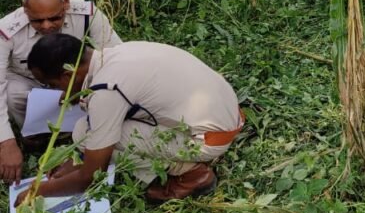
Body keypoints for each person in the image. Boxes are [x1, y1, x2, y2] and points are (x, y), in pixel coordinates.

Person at [22, 34, 243, 203]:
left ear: (68, 75)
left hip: (210, 138)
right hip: (228, 112)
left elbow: (91, 175)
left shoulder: (105, 91)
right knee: (86, 129)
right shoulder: (118, 52)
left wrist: (37, 191)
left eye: (52, 85)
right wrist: (76, 161)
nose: (56, 91)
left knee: (86, 135)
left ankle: (191, 174)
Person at [0, 0, 121, 184]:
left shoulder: (88, 15)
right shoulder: (7, 30)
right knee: (12, 92)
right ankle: (34, 136)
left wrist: (84, 90)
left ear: (66, 3)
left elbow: (114, 57)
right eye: (37, 21)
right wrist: (6, 142)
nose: (47, 26)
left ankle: (78, 133)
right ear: (25, 8)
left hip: (76, 83)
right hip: (29, 84)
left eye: (55, 18)